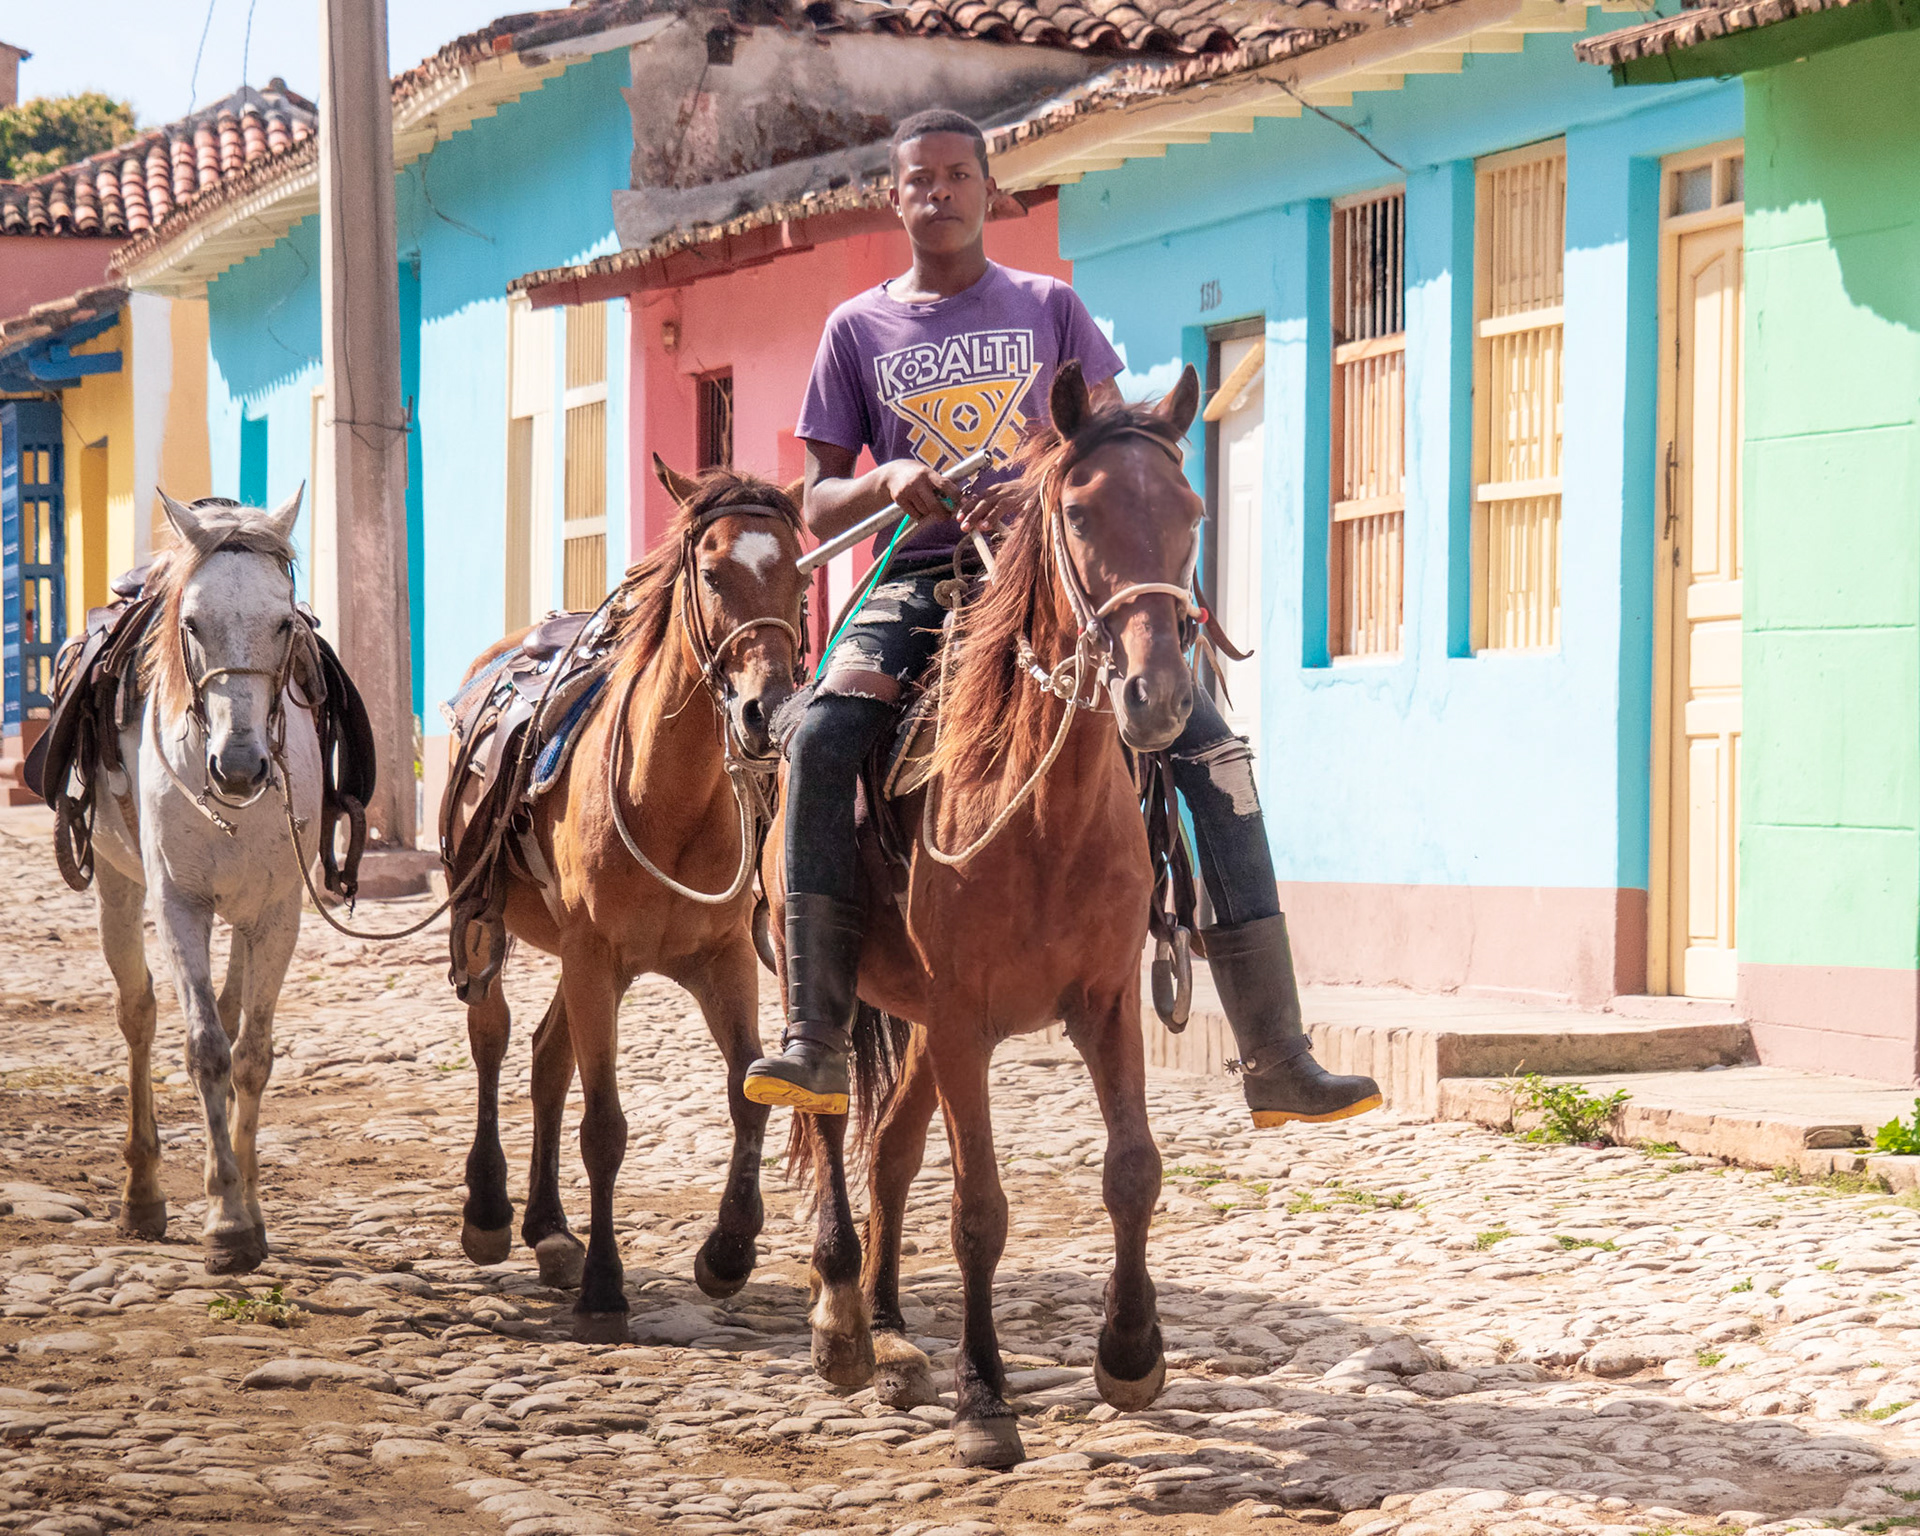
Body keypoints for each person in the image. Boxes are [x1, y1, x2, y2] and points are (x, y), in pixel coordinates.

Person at [742, 109, 1381, 1129]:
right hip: (916, 580)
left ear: (990, 190)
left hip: (1054, 585)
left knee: (1214, 751)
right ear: (894, 198)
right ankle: (816, 1033)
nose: (939, 192)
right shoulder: (855, 329)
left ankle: (1277, 1050)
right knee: (821, 735)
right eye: (920, 179)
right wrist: (890, 479)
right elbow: (815, 500)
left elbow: (1115, 443)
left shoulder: (1050, 305)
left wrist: (1050, 489)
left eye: (958, 175)